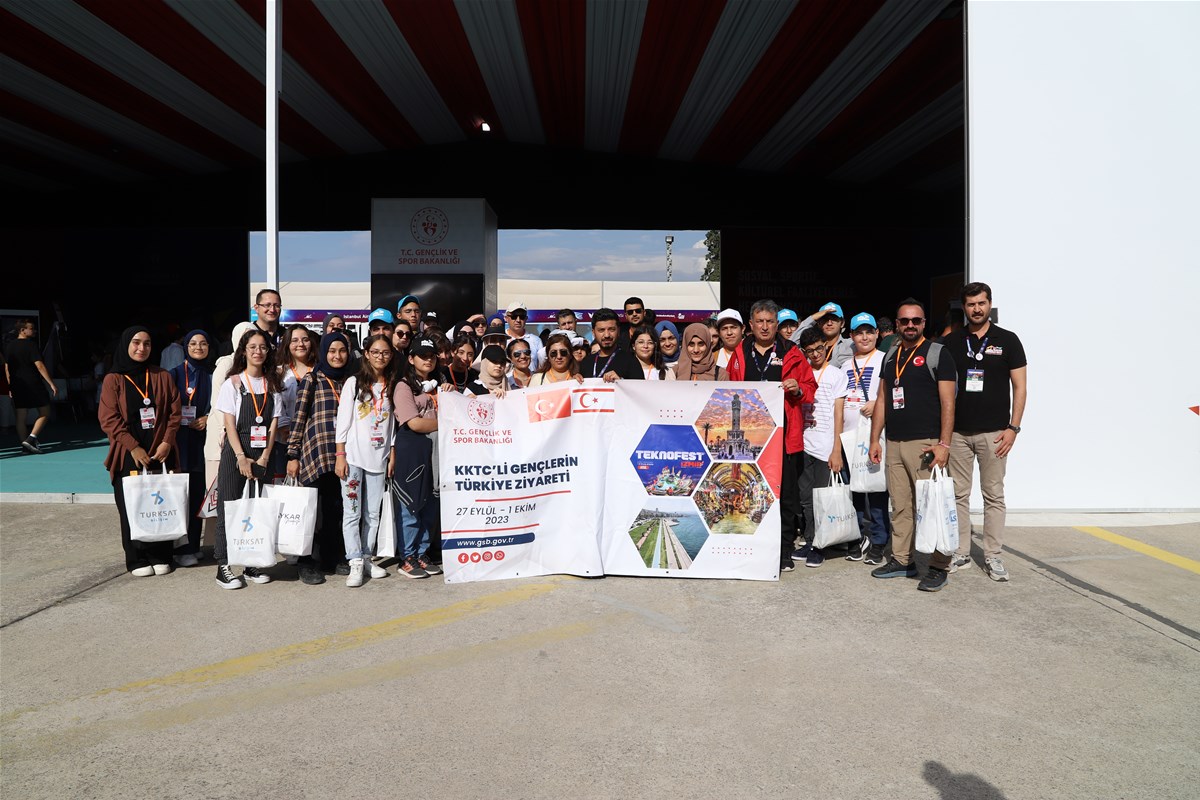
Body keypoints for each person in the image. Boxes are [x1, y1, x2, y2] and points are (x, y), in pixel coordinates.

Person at [868, 298, 957, 592]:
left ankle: (939, 566)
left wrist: (944, 444)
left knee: (932, 506)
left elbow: (948, 402)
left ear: (923, 323)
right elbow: (882, 398)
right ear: (897, 324)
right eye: (904, 321)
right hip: (894, 442)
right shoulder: (890, 356)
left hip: (925, 444)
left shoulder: (937, 354)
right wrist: (874, 439)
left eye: (916, 321)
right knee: (900, 506)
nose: (910, 325)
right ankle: (902, 560)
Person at [944, 282, 1027, 582]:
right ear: (964, 308)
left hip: (995, 434)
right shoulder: (952, 342)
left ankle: (993, 555)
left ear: (990, 304)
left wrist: (1013, 428)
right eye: (971, 304)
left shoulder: (1008, 340)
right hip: (958, 435)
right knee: (958, 495)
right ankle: (961, 552)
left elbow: (1020, 387)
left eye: (981, 303)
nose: (976, 309)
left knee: (993, 495)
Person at [725, 299, 816, 572]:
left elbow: (811, 387)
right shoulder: (739, 353)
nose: (765, 327)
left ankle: (784, 549)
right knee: (751, 492)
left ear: (777, 325)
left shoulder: (792, 352)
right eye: (760, 322)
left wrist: (798, 387)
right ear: (750, 325)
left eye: (770, 322)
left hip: (783, 437)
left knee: (785, 496)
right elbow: (729, 391)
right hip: (752, 439)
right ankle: (752, 546)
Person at [99, 326, 182, 577]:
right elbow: (109, 418)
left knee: (161, 504)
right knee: (132, 506)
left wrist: (167, 442)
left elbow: (174, 413)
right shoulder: (113, 379)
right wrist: (133, 447)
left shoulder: (162, 375)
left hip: (160, 452)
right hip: (128, 453)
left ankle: (161, 554)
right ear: (126, 344)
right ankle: (137, 558)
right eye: (136, 342)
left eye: (147, 343)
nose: (141, 348)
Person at [212, 328, 283, 590]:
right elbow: (229, 424)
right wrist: (241, 457)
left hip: (263, 453)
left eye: (263, 347)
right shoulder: (233, 383)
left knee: (256, 509)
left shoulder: (273, 384)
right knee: (229, 507)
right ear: (243, 351)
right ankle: (223, 565)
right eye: (252, 347)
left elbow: (273, 424)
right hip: (237, 451)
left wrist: (264, 457)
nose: (258, 351)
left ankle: (252, 562)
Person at [286, 332, 352, 584]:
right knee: (309, 512)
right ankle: (305, 562)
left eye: (342, 351)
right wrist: (293, 454)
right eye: (332, 351)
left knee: (335, 508)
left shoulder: (351, 381)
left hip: (341, 455)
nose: (337, 356)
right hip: (314, 454)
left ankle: (330, 557)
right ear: (324, 352)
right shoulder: (312, 379)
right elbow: (299, 418)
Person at [335, 334, 396, 588]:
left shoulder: (392, 383)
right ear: (367, 354)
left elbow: (392, 424)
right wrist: (340, 455)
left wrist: (392, 452)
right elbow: (343, 421)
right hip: (353, 457)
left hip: (379, 457)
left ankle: (367, 556)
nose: (381, 356)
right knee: (352, 512)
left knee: (373, 513)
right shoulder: (354, 383)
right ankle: (355, 561)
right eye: (376, 352)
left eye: (386, 352)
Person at [835, 313, 890, 566]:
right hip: (849, 437)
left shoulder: (885, 359)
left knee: (876, 491)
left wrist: (877, 403)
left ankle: (879, 541)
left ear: (877, 333)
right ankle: (856, 538)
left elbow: (892, 392)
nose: (864, 337)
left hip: (873, 437)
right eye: (859, 333)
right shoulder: (845, 366)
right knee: (853, 492)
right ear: (851, 336)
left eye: (869, 332)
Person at [792, 327, 850, 568]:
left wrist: (837, 450)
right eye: (810, 351)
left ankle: (820, 546)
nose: (815, 354)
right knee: (806, 499)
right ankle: (810, 540)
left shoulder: (836, 374)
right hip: (803, 444)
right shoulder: (801, 374)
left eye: (819, 348)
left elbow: (839, 415)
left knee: (823, 499)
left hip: (826, 447)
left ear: (826, 346)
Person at [392, 337, 443, 578]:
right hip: (412, 450)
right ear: (411, 359)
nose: (428, 360)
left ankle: (422, 553)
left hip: (436, 451)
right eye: (422, 355)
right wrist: (447, 422)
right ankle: (407, 557)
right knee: (411, 504)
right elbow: (414, 423)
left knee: (431, 503)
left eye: (431, 355)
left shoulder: (441, 383)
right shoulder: (403, 386)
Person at [168, 329, 213, 567]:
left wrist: (208, 418)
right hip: (178, 442)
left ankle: (193, 546)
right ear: (186, 347)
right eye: (193, 343)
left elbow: (219, 406)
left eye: (203, 343)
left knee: (197, 495)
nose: (198, 347)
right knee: (179, 497)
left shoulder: (212, 374)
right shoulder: (173, 374)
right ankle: (178, 548)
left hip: (200, 442)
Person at [4, 319, 57, 454]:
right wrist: (51, 383)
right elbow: (40, 366)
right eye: (31, 328)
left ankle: (25, 446)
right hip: (33, 384)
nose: (34, 331)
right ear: (22, 330)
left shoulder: (9, 346)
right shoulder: (31, 345)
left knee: (21, 416)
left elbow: (7, 369)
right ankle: (31, 439)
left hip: (17, 385)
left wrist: (10, 386)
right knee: (45, 412)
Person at [278, 324, 317, 481]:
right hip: (285, 440)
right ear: (287, 344)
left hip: (313, 440)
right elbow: (276, 404)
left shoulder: (319, 371)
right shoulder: (280, 372)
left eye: (305, 340)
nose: (300, 344)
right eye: (294, 340)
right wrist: (285, 427)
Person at [580, 308, 643, 382]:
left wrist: (621, 382)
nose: (607, 335)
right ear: (593, 333)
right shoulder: (586, 363)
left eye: (611, 329)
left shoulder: (630, 361)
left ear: (618, 331)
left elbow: (640, 388)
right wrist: (575, 381)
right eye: (601, 330)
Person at [790, 302, 854, 368]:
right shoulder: (810, 347)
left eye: (834, 319)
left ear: (842, 323)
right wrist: (813, 318)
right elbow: (790, 345)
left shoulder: (850, 345)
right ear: (818, 323)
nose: (829, 323)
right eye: (825, 319)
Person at [504, 301, 545, 370]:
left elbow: (541, 366)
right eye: (514, 316)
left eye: (522, 317)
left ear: (526, 319)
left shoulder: (536, 340)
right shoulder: (500, 340)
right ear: (506, 318)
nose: (518, 320)